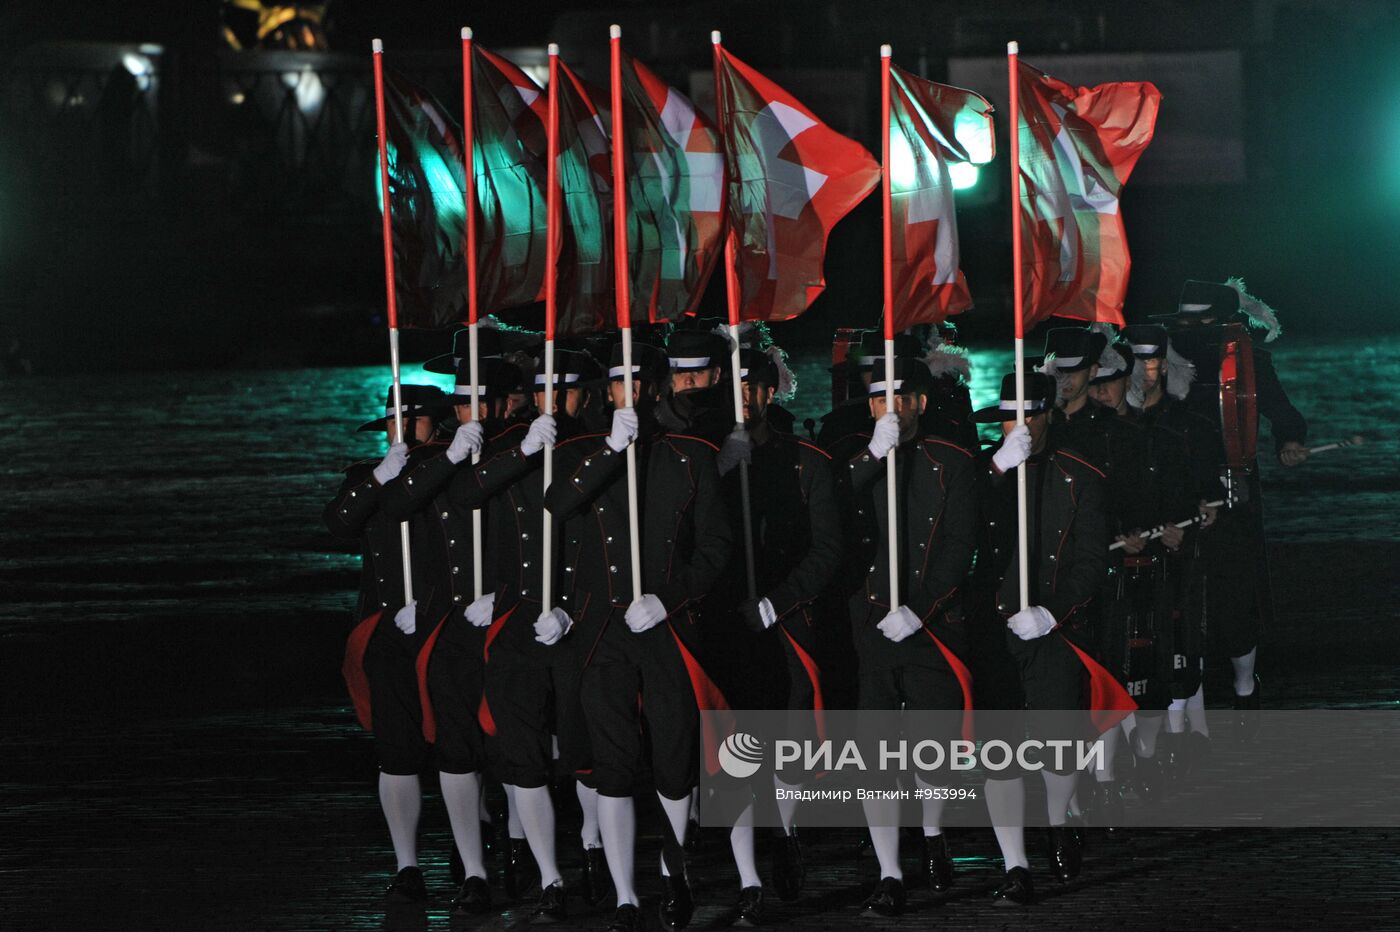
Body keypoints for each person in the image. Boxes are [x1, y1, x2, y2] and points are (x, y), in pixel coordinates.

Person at [545, 341, 732, 932]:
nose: (632, 394)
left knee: (676, 761)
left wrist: (670, 597)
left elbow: (716, 549)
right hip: (602, 631)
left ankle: (676, 875)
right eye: (619, 384)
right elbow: (558, 504)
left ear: (657, 389)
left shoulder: (690, 456)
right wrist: (609, 450)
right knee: (614, 764)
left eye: (641, 383)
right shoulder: (579, 452)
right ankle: (627, 895)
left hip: (666, 628)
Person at [449, 348, 607, 922]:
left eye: (562, 392)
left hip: (578, 619)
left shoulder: (603, 446)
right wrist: (522, 452)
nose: (552, 403)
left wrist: (571, 608)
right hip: (518, 617)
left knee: (584, 746)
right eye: (544, 391)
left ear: (584, 395)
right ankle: (550, 875)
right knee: (522, 751)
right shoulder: (511, 447)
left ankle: (591, 844)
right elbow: (466, 499)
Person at [325, 383, 491, 908]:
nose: (402, 428)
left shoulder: (454, 474)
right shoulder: (370, 477)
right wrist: (379, 477)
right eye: (395, 419)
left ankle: (474, 867)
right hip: (387, 632)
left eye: (413, 419)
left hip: (444, 629)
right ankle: (407, 865)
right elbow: (339, 523)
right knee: (396, 753)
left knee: (456, 747)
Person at [966, 372, 1127, 906]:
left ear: (1048, 416)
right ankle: (1015, 864)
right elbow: (949, 532)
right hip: (993, 628)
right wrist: (995, 472)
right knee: (999, 753)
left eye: (1032, 414)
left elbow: (1090, 561)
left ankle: (1059, 821)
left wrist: (1053, 612)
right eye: (1012, 415)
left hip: (1053, 627)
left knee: (1060, 741)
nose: (1022, 426)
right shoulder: (979, 473)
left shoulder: (1078, 475)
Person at [838, 358, 979, 917]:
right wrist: (874, 453)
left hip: (931, 625)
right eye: (877, 400)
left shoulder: (953, 462)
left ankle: (933, 830)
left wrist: (919, 610)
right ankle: (890, 871)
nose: (888, 409)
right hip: (869, 623)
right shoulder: (854, 459)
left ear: (920, 402)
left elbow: (958, 547)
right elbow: (830, 516)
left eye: (898, 398)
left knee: (931, 747)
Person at [708, 346, 843, 923]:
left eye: (754, 386)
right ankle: (748, 878)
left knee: (788, 748)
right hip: (726, 626)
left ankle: (784, 833)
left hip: (784, 624)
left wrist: (779, 602)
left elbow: (827, 548)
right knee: (735, 752)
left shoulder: (806, 463)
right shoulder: (704, 458)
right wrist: (719, 470)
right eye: (734, 386)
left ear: (770, 391)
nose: (745, 397)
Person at [1155, 279, 1308, 732]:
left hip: (1232, 489)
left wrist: (1290, 441)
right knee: (1179, 597)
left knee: (1235, 593)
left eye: (1203, 320)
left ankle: (1245, 689)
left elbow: (1282, 412)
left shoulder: (1248, 360)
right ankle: (1190, 706)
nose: (1192, 329)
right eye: (1185, 319)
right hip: (1177, 491)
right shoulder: (1161, 359)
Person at [1122, 323, 1221, 777]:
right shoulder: (1117, 428)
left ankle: (1179, 734)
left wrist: (1196, 518)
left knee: (1178, 643)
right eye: (1139, 362)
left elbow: (1207, 493)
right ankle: (1138, 745)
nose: (1147, 371)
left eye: (1153, 361)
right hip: (1126, 554)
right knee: (1131, 649)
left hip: (1176, 551)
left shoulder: (1188, 425)